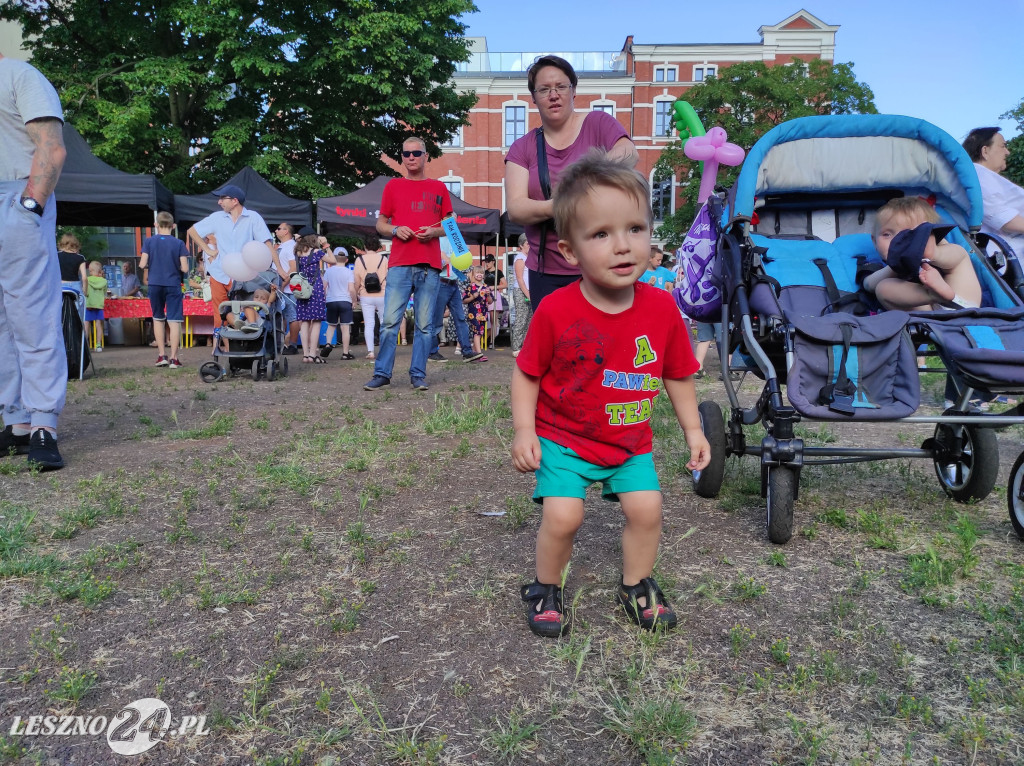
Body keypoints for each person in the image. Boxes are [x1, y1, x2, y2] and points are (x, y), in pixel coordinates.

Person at [511, 153, 710, 638]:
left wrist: (694, 430)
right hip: (565, 439)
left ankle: (636, 584)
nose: (623, 246)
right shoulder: (557, 309)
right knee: (564, 515)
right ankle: (545, 587)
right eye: (601, 234)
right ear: (570, 250)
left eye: (635, 229)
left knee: (647, 509)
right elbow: (527, 373)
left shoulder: (662, 309)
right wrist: (524, 430)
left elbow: (678, 374)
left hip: (629, 443)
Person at [504, 55, 638, 310]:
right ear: (533, 97)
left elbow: (629, 152)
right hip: (547, 272)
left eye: (561, 87)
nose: (553, 95)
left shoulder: (597, 123)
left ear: (573, 91)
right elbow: (517, 208)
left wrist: (587, 179)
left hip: (600, 264)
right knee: (556, 346)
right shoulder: (523, 147)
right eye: (544, 89)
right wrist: (564, 203)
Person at [0, 53, 68, 470]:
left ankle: (44, 421)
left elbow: (51, 147)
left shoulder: (19, 74)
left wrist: (30, 204)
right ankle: (16, 419)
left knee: (32, 311)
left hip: (15, 196)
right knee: (3, 318)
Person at [364, 136, 452, 391]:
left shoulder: (439, 188)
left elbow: (450, 225)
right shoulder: (393, 186)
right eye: (406, 153)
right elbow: (380, 223)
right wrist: (395, 229)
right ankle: (382, 373)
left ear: (426, 156)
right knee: (391, 322)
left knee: (425, 326)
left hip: (429, 266)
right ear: (401, 157)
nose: (411, 157)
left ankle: (418, 374)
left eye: (416, 153)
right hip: (400, 264)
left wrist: (434, 233)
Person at [864, 197, 982, 312]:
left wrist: (934, 252)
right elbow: (868, 285)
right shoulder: (876, 264)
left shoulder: (941, 246)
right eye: (887, 234)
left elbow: (952, 255)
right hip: (929, 314)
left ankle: (934, 253)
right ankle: (931, 294)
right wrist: (896, 266)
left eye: (912, 234)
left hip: (961, 302)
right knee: (882, 288)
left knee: (960, 255)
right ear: (874, 241)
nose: (898, 240)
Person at [187, 184, 274, 328]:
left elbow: (266, 242)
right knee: (221, 310)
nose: (219, 202)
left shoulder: (252, 217)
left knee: (245, 303)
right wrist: (207, 250)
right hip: (220, 272)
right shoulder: (217, 217)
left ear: (235, 201)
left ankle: (251, 327)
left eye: (222, 198)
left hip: (244, 272)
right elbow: (192, 231)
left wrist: (278, 269)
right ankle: (223, 346)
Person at [963, 127, 1024, 261]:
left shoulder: (984, 176)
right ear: (985, 151)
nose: (1007, 152)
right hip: (1008, 259)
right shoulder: (977, 175)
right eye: (1003, 146)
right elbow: (1004, 219)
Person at [139, 211, 189, 368]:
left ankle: (162, 356)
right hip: (173, 284)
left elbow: (142, 264)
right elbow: (185, 268)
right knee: (175, 321)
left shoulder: (149, 241)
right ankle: (174, 358)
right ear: (173, 226)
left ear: (156, 225)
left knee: (158, 318)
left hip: (155, 284)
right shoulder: (179, 243)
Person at [428, 232, 483, 363]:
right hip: (441, 282)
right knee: (437, 319)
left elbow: (461, 264)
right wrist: (446, 261)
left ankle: (467, 351)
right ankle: (432, 351)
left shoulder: (457, 239)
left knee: (460, 318)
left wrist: (462, 274)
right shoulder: (438, 240)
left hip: (453, 284)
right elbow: (434, 262)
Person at [293, 226, 336, 363]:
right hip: (315, 287)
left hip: (301, 288)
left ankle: (305, 355)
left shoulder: (297, 252)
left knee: (304, 321)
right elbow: (333, 260)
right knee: (316, 321)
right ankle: (312, 354)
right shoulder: (317, 252)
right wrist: (326, 245)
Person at [354, 234, 388, 360]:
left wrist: (354, 297)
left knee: (369, 324)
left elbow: (356, 282)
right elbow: (389, 278)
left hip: (365, 295)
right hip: (382, 294)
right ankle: (384, 351)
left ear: (365, 246)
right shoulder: (383, 260)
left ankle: (371, 352)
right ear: (378, 246)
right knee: (384, 323)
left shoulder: (359, 260)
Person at [272, 222, 301, 353]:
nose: (276, 231)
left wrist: (283, 283)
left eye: (279, 228)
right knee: (281, 316)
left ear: (286, 232)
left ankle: (293, 344)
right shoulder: (282, 246)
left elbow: (293, 267)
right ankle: (282, 343)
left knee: (291, 316)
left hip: (288, 289)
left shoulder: (291, 246)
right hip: (278, 287)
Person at [323, 246, 356, 359]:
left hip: (331, 300)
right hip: (345, 301)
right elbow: (351, 289)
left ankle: (328, 343)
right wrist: (354, 300)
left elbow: (324, 287)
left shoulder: (328, 271)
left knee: (331, 325)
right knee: (345, 327)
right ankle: (345, 353)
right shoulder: (349, 272)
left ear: (334, 259)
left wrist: (323, 299)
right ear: (346, 260)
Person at [510, 234, 533, 358]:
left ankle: (525, 346)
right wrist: (527, 294)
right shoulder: (520, 258)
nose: (530, 245)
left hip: (529, 290)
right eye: (527, 243)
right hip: (521, 290)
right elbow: (520, 279)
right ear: (521, 245)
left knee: (529, 319)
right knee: (521, 318)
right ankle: (517, 347)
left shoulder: (530, 258)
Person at [462, 265, 492, 361]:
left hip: (483, 313)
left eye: (481, 273)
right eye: (477, 273)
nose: (479, 275)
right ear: (473, 275)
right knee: (477, 332)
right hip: (474, 313)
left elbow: (490, 301)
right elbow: (464, 300)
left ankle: (475, 350)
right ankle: (479, 353)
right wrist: (472, 297)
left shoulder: (486, 287)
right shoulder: (470, 287)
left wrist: (488, 295)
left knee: (480, 332)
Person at [85, 260, 107, 352]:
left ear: (91, 271)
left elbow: (85, 292)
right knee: (99, 325)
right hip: (99, 305)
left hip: (89, 304)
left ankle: (85, 344)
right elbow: (105, 292)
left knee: (86, 324)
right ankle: (98, 345)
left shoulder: (87, 279)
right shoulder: (104, 281)